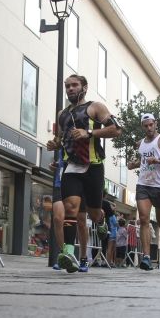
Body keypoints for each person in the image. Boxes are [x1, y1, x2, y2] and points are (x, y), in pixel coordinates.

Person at [45, 75, 121, 273]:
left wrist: (90, 133)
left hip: (94, 166)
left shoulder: (95, 107)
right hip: (72, 167)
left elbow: (116, 129)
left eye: (74, 85)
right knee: (71, 209)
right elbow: (61, 139)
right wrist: (55, 145)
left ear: (84, 87)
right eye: (67, 86)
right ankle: (69, 254)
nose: (70, 89)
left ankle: (102, 219)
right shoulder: (62, 114)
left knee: (94, 214)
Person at [127, 113, 160, 269]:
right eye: (145, 125)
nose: (148, 128)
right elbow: (143, 161)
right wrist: (134, 164)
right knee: (144, 219)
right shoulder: (139, 143)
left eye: (151, 124)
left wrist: (159, 160)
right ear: (142, 126)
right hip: (143, 184)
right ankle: (146, 257)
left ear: (155, 124)